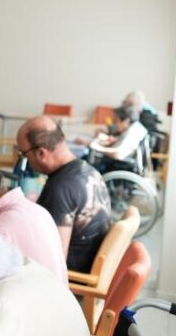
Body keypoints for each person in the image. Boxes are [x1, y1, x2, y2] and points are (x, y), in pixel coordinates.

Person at [16, 116, 111, 273]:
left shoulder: (60, 188)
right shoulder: (88, 170)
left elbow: (53, 260)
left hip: (72, 282)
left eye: (24, 155)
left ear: (41, 153)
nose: (25, 161)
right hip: (87, 265)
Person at [90, 104, 148, 173]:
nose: (115, 124)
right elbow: (125, 144)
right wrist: (109, 138)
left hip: (120, 168)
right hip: (120, 164)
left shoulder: (132, 132)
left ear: (126, 121)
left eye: (116, 121)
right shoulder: (136, 127)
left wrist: (98, 148)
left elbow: (118, 154)